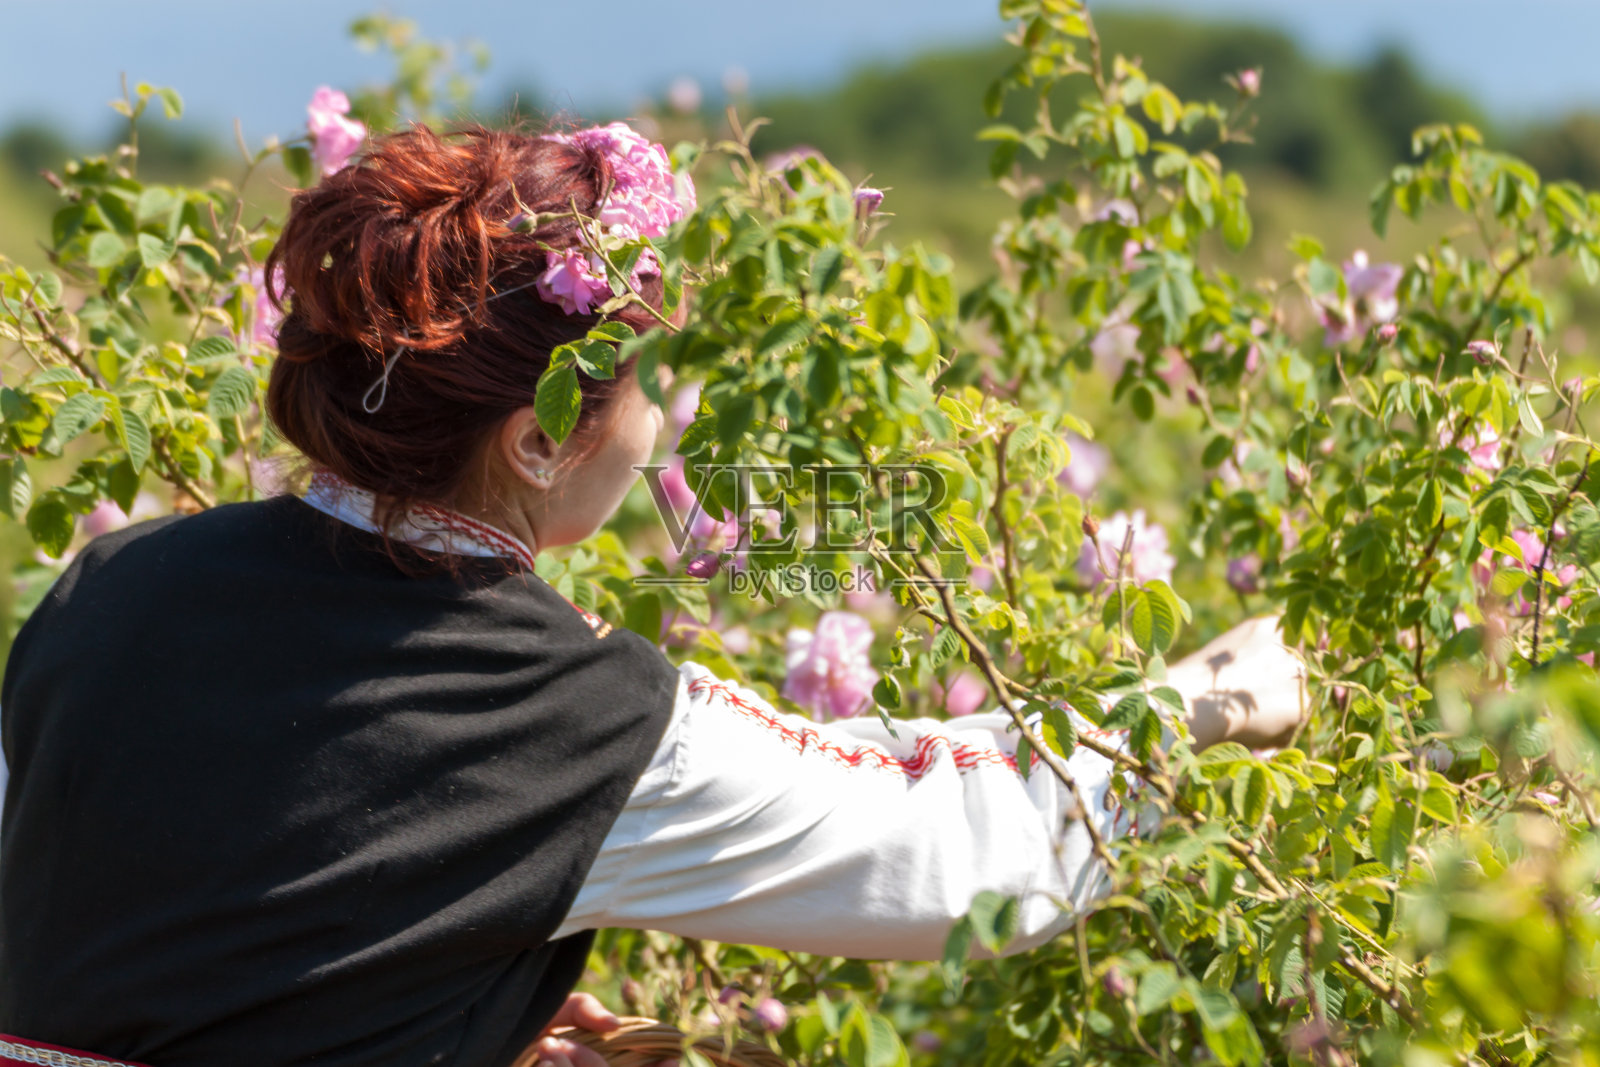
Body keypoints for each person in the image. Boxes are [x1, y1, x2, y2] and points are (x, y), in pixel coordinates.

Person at [0, 123, 1305, 1067]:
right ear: (534, 439)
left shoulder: (117, 582)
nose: (659, 416)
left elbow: (133, 910)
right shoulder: (560, 714)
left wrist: (448, 984)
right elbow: (966, 857)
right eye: (639, 383)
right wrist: (1208, 697)